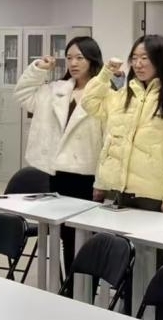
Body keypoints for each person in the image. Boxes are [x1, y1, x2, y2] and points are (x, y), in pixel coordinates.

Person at [14, 36, 106, 274]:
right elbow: (23, 96)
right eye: (69, 58)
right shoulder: (57, 90)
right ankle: (69, 285)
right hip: (60, 173)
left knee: (87, 236)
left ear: (92, 59)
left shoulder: (105, 93)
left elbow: (110, 140)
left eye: (80, 58)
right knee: (66, 234)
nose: (73, 63)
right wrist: (38, 69)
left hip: (89, 174)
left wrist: (105, 180)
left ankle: (85, 286)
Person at [82, 35, 163, 212]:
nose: (138, 64)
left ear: (159, 60)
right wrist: (106, 73)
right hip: (118, 190)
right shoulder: (124, 95)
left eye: (145, 58)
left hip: (153, 196)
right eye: (134, 58)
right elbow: (90, 102)